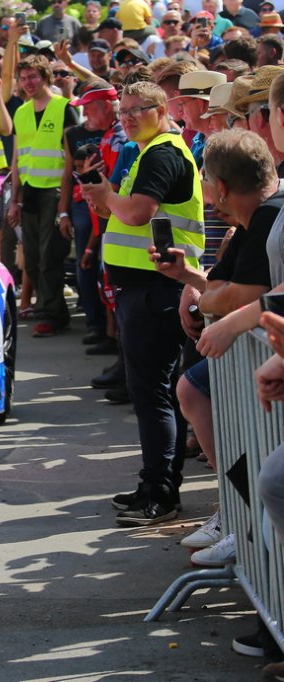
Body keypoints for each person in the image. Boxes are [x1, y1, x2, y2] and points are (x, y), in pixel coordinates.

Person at [80, 81, 205, 526]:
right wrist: (105, 199)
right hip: (153, 288)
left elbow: (136, 213)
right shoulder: (149, 150)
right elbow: (127, 212)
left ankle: (160, 492)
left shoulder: (162, 152)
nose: (128, 118)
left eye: (138, 109)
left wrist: (106, 198)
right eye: (124, 112)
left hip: (159, 288)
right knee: (156, 393)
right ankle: (155, 484)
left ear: (162, 109)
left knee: (153, 394)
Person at [150, 129, 277, 561]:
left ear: (219, 186)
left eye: (204, 177)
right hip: (253, 358)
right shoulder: (247, 224)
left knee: (263, 455)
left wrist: (209, 300)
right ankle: (238, 512)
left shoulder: (267, 217)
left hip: (265, 365)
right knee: (193, 390)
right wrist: (189, 278)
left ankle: (245, 521)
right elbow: (224, 288)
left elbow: (242, 296)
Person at [9, 54, 80, 338]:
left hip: (55, 190)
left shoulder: (65, 108)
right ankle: (53, 312)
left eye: (33, 77)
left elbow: (71, 158)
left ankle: (49, 314)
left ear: (45, 77)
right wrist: (14, 199)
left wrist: (64, 202)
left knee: (51, 256)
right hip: (30, 191)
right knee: (35, 258)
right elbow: (16, 159)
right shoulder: (21, 111)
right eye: (23, 78)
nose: (28, 83)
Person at [59, 81, 124, 352]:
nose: (85, 116)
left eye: (89, 109)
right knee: (106, 285)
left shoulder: (119, 139)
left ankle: (117, 347)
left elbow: (114, 185)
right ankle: (111, 340)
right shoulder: (109, 135)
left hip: (114, 223)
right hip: (105, 222)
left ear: (106, 106)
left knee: (114, 289)